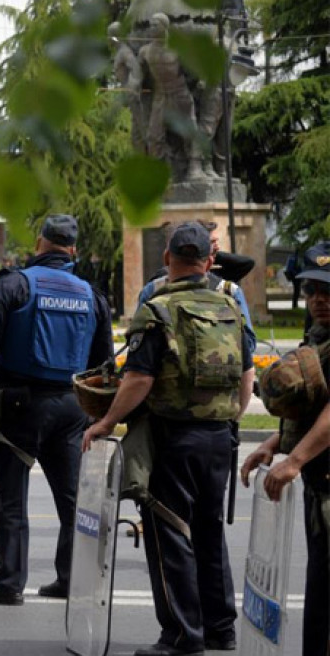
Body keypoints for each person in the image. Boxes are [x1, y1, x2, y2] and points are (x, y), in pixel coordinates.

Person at [84, 221, 254, 656]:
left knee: (170, 533)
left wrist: (107, 423)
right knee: (209, 533)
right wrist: (229, 418)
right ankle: (220, 629)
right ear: (209, 260)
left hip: (172, 438)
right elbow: (247, 376)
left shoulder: (157, 310)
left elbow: (139, 378)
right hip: (219, 438)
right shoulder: (230, 306)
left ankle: (181, 636)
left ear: (167, 259)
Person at [0, 214, 114, 604]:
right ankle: (70, 577)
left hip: (20, 405)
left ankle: (9, 583)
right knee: (73, 499)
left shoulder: (16, 285)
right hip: (72, 408)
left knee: (10, 495)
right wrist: (94, 414)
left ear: (40, 242)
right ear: (72, 249)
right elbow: (104, 365)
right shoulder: (92, 295)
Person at [241, 241, 330, 656]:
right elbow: (314, 406)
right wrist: (275, 444)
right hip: (320, 483)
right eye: (312, 290)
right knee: (320, 593)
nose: (319, 300)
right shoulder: (319, 336)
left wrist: (294, 460)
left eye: (328, 291)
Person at [141, 220, 256, 350]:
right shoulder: (230, 292)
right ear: (209, 261)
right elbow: (248, 348)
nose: (217, 247)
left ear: (167, 256)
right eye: (212, 244)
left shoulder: (152, 290)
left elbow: (138, 358)